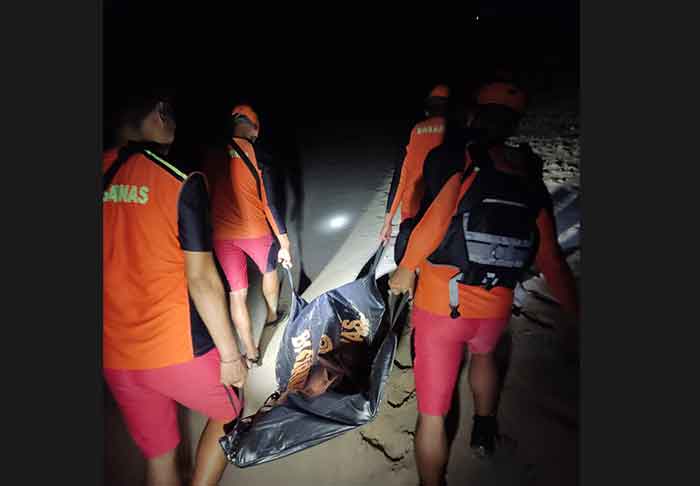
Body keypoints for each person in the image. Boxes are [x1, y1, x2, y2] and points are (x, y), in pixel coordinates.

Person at [388, 82, 579, 486]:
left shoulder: (455, 157)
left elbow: (435, 221)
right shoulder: (527, 173)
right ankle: (484, 430)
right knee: (486, 358)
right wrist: (577, 311)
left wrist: (405, 269)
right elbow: (550, 260)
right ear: (513, 125)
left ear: (473, 114)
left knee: (432, 415)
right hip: (495, 304)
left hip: (442, 306)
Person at [103, 90, 248, 486]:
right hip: (175, 348)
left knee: (160, 458)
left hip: (116, 354)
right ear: (158, 116)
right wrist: (231, 355)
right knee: (230, 412)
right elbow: (201, 279)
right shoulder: (179, 178)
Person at [205, 104, 293, 368]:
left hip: (221, 235)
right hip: (255, 231)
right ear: (255, 128)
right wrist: (284, 241)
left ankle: (251, 352)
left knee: (236, 294)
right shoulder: (257, 153)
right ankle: (271, 314)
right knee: (269, 273)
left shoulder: (211, 154)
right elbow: (270, 203)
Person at [379, 84, 450, 248]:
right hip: (441, 214)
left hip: (411, 211)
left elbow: (400, 178)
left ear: (428, 109)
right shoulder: (456, 134)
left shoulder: (414, 131)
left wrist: (388, 222)